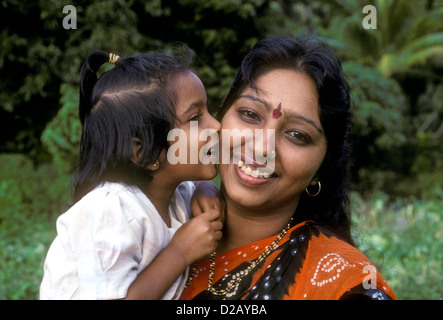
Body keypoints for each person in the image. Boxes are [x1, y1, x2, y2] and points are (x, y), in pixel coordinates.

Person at [181, 36, 397, 300]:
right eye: (250, 114)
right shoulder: (160, 220)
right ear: (220, 120)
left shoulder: (342, 285)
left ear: (321, 167)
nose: (262, 149)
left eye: (297, 134)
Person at [40, 46, 223, 300]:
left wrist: (206, 188)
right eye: (195, 119)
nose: (216, 125)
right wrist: (180, 252)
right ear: (143, 153)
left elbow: (193, 187)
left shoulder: (175, 191)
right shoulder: (113, 211)